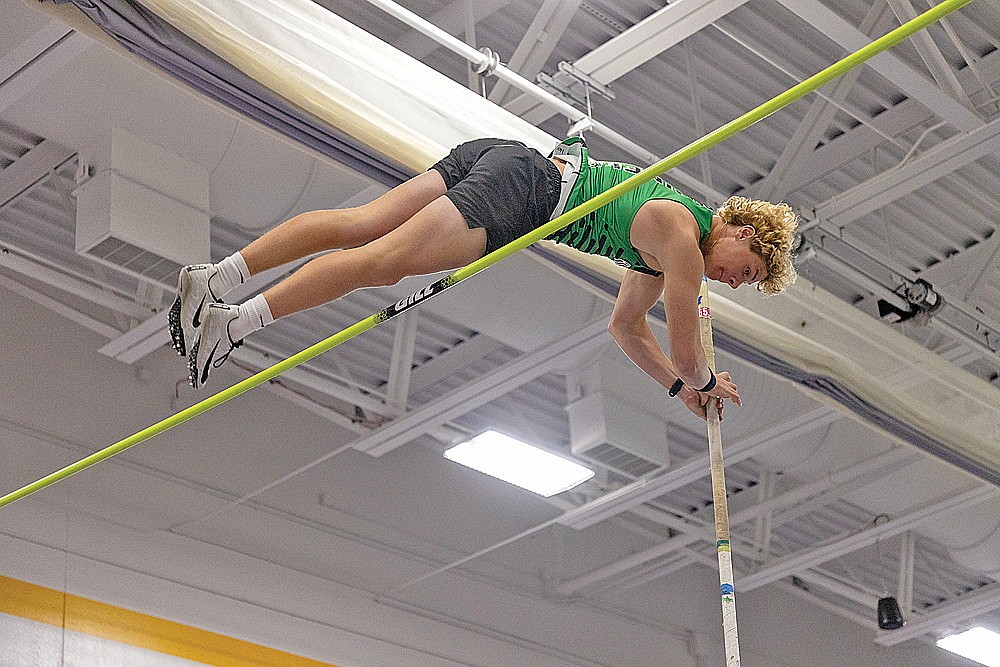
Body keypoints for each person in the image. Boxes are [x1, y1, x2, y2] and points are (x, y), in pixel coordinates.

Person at [170, 137, 798, 420]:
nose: (734, 283)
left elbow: (626, 327)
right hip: (524, 192)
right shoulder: (684, 242)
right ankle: (232, 322)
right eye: (745, 273)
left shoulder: (663, 246)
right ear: (742, 234)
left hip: (505, 157)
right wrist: (703, 381)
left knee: (361, 226)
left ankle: (216, 280)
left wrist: (674, 388)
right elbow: (689, 352)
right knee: (380, 261)